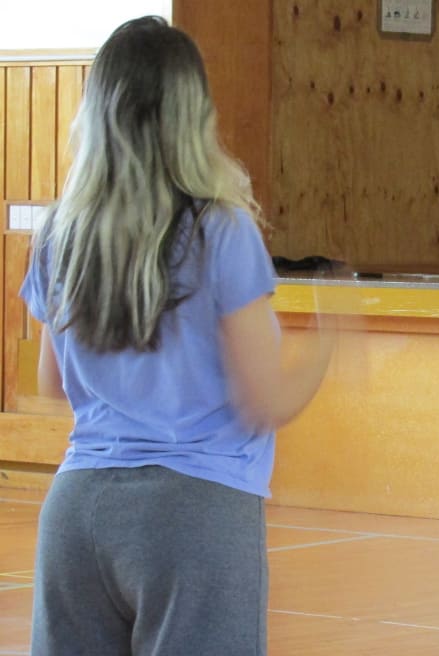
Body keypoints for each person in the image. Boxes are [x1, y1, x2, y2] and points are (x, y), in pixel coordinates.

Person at [20, 16, 333, 656]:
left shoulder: (59, 234)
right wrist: (328, 349)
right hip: (195, 513)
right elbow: (264, 400)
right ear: (193, 114)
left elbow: (51, 383)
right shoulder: (220, 230)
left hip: (76, 510)